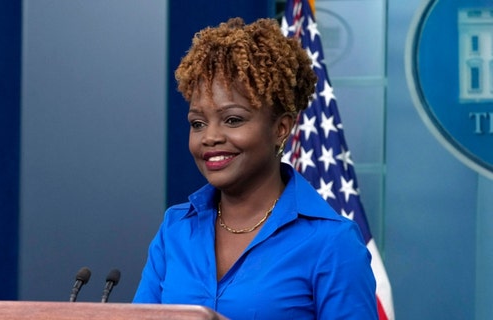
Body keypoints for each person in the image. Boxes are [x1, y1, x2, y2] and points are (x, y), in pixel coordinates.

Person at [133, 17, 377, 319]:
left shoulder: (333, 242)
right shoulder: (176, 229)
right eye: (197, 123)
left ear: (281, 127)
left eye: (233, 119)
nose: (210, 137)